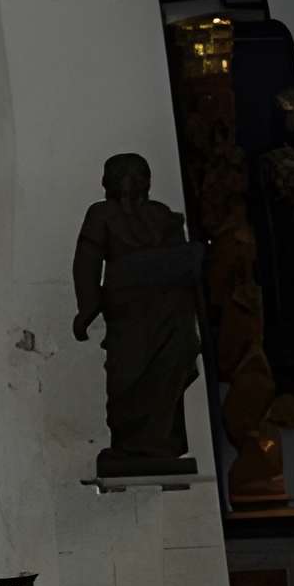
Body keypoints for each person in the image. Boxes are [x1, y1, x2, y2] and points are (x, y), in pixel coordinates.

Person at [73, 151, 202, 470]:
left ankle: (158, 443)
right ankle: (131, 444)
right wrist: (87, 307)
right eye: (123, 175)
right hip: (129, 312)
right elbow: (86, 263)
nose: (130, 183)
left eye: (136, 175)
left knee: (166, 372)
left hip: (169, 311)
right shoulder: (101, 215)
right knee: (127, 375)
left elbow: (185, 264)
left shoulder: (162, 215)